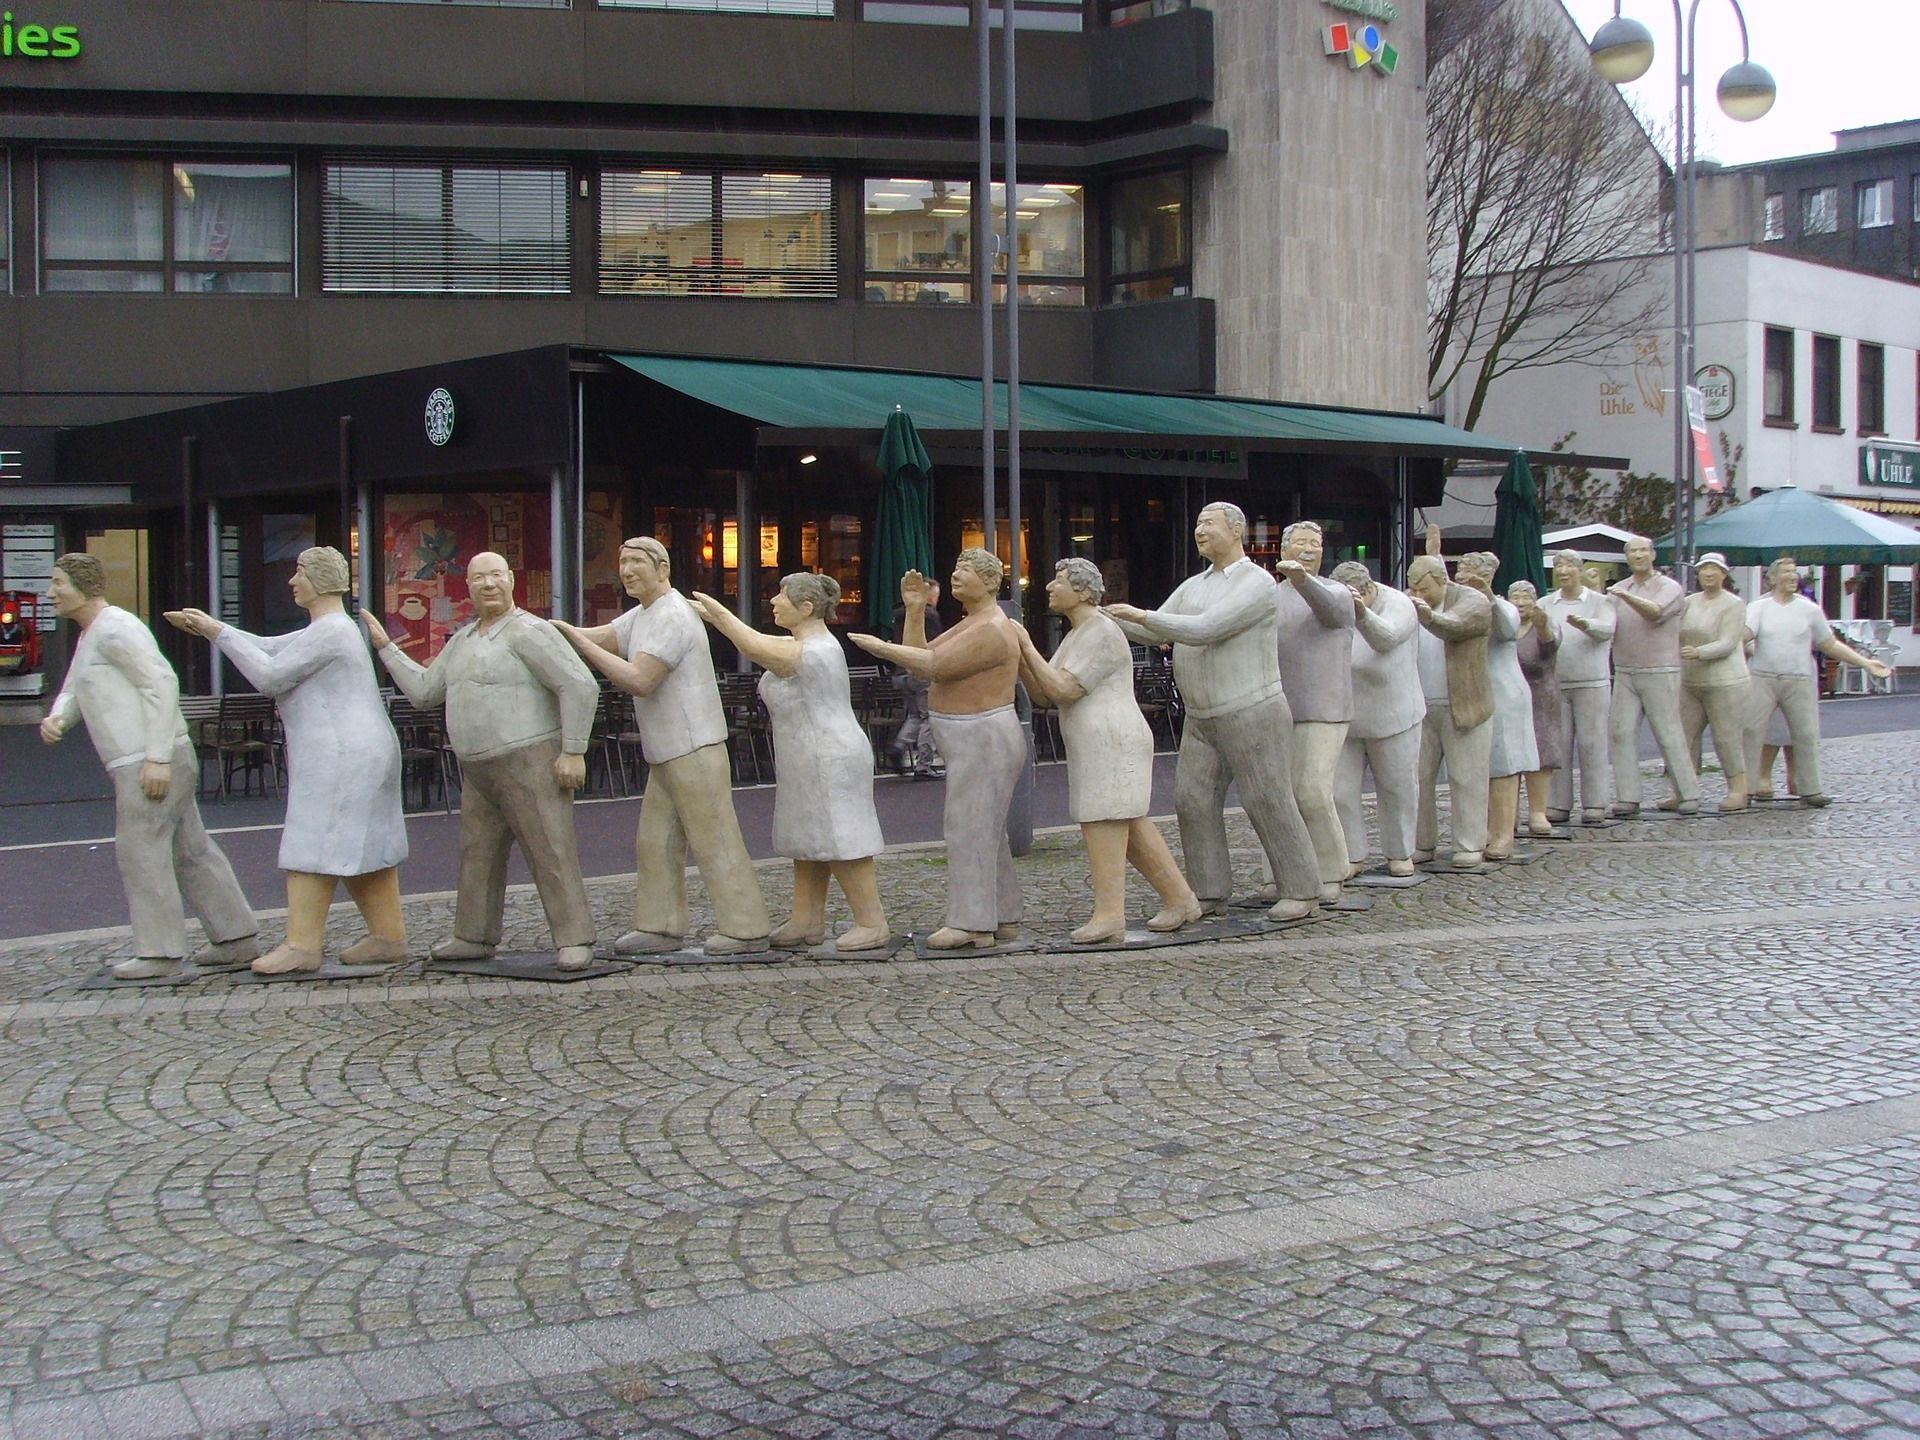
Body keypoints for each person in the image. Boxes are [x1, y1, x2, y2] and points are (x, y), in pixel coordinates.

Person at [166, 546, 408, 975]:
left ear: (320, 580)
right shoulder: (328, 629)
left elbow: (269, 675)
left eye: (299, 573)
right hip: (355, 751)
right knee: (363, 843)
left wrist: (218, 634)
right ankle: (387, 937)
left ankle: (302, 945)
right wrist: (212, 629)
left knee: (312, 842)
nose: (292, 581)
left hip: (342, 755)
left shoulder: (332, 631)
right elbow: (269, 647)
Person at [367, 551, 601, 971]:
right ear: (468, 587)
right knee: (477, 854)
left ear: (511, 580)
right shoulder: (462, 640)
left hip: (529, 759)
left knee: (550, 849)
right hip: (478, 768)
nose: (488, 584)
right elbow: (424, 692)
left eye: (495, 575)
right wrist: (386, 648)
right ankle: (472, 934)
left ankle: (574, 937)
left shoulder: (530, 631)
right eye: (479, 578)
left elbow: (579, 685)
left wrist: (573, 750)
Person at [41, 553, 258, 981]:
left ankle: (160, 952)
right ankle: (236, 936)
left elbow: (160, 682)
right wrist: (59, 717)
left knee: (141, 851)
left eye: (58, 583)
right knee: (189, 849)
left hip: (147, 760)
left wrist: (157, 758)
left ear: (83, 585)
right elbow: (76, 686)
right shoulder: (93, 634)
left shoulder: (116, 628)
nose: (51, 593)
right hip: (148, 758)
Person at [553, 536, 770, 957]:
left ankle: (746, 927)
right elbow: (606, 636)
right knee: (656, 842)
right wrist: (559, 632)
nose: (627, 570)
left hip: (693, 745)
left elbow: (641, 679)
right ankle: (660, 925)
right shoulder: (643, 613)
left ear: (662, 569)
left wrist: (578, 645)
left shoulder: (673, 615)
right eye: (623, 562)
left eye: (636, 561)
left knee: (715, 839)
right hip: (667, 750)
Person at [1103, 502, 1318, 924]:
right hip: (1202, 715)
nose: (1199, 531)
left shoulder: (1257, 583)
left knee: (1267, 799)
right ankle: (1209, 889)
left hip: (1251, 708)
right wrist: (1102, 614)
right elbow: (1153, 629)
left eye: (1208, 523)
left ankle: (1301, 888)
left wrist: (1142, 615)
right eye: (1197, 523)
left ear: (1236, 530)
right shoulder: (1193, 586)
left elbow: (1207, 629)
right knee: (1193, 800)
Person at [689, 573, 890, 951]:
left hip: (829, 756)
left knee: (841, 836)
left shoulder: (816, 650)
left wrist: (721, 615)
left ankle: (871, 921)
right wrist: (716, 618)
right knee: (807, 838)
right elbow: (758, 640)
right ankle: (806, 920)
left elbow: (752, 645)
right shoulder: (798, 643)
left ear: (807, 608)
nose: (773, 602)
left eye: (781, 596)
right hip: (804, 756)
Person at [1014, 557, 1202, 943]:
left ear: (1083, 592)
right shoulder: (1076, 634)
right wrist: (1019, 658)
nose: (1049, 586)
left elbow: (1064, 689)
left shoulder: (1100, 631)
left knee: (1102, 820)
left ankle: (1110, 914)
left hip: (1112, 740)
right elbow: (1045, 693)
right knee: (1127, 824)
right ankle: (1181, 900)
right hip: (1096, 740)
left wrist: (1025, 645)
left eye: (1059, 581)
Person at [852, 551, 1024, 948]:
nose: (955, 575)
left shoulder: (992, 628)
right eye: (956, 567)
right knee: (985, 829)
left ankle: (972, 923)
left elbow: (932, 665)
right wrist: (915, 611)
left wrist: (882, 648)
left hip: (983, 736)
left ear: (990, 581)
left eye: (966, 570)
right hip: (971, 738)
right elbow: (922, 658)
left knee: (969, 828)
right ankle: (1002, 913)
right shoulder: (973, 621)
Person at [1742, 555, 1891, 808]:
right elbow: (1744, 634)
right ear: (1772, 578)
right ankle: (1745, 788)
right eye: (1786, 572)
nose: (1793, 576)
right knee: (1751, 731)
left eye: (1794, 571)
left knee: (1806, 733)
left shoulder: (1809, 609)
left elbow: (1828, 643)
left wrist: (1865, 662)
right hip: (1763, 677)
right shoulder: (1758, 607)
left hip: (1799, 677)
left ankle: (1810, 788)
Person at [1269, 520, 1355, 903]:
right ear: (1283, 549)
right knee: (1279, 797)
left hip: (1325, 707)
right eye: (1300, 542)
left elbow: (1332, 612)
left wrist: (1303, 580)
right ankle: (1286, 871)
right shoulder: (1270, 597)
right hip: (1279, 708)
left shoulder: (1336, 591)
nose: (1307, 549)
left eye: (1315, 543)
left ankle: (1332, 869)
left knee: (1313, 792)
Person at [1330, 561, 1423, 879]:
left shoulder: (1399, 604)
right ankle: (1351, 853)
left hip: (1394, 713)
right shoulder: (1335, 603)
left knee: (1397, 787)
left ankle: (1400, 852)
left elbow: (1386, 638)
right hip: (1346, 713)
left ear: (1369, 589)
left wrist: (1362, 613)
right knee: (1340, 790)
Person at [1408, 551, 1493, 867]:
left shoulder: (1473, 600)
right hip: (1420, 707)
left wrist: (1429, 617)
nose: (1419, 595)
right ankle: (1421, 843)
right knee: (1418, 779)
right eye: (1414, 589)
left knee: (1466, 778)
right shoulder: (1409, 603)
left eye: (1425, 589)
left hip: (1464, 706)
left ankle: (1469, 844)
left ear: (1443, 580)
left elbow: (1456, 626)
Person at [1608, 534, 1698, 816]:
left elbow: (1654, 612)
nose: (1638, 556)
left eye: (1643, 551)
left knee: (1668, 732)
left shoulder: (1668, 587)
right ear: (1627, 557)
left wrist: (1625, 596)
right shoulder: (1620, 589)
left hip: (1660, 669)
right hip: (1625, 670)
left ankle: (1687, 793)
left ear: (1653, 555)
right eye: (1632, 552)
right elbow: (1607, 623)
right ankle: (1628, 797)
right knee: (1621, 733)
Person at [1456, 553, 1537, 860]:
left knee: (1503, 763)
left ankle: (1503, 834)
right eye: (1460, 571)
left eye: (1471, 573)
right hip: (1472, 690)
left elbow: (1507, 629)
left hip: (1503, 692)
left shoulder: (1503, 606)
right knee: (1479, 765)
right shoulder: (1458, 604)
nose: (1463, 578)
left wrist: (1489, 597)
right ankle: (1488, 828)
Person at [1540, 550, 1614, 824]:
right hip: (1556, 682)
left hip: (1592, 682)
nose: (1563, 571)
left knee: (1592, 743)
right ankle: (1557, 803)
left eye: (1569, 566)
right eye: (1558, 566)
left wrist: (1587, 624)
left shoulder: (1600, 602)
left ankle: (1595, 803)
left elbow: (1607, 629)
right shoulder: (1546, 603)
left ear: (1580, 570)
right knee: (1558, 745)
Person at [1678, 551, 1753, 812]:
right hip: (1691, 681)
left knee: (1726, 737)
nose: (1708, 574)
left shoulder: (1733, 604)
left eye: (1714, 569)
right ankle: (1683, 790)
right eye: (1703, 569)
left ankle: (1738, 789)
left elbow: (1729, 642)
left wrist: (1699, 652)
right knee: (1684, 737)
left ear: (1723, 574)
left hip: (1725, 681)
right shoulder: (1688, 602)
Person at [1506, 580, 1562, 838]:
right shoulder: (1505, 625)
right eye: (1515, 598)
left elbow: (1549, 648)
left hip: (1540, 695)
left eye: (1525, 598)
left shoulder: (1545, 623)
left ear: (1535, 600)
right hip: (1509, 696)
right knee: (1510, 753)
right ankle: (1509, 812)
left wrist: (1542, 627)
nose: (1520, 603)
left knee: (1541, 752)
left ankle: (1538, 810)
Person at [889, 576, 944, 778]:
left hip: (900, 671)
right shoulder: (929, 615)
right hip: (921, 672)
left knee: (914, 715)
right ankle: (924, 765)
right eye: (935, 596)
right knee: (928, 717)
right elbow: (935, 644)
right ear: (928, 596)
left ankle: (898, 745)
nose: (936, 601)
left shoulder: (899, 615)